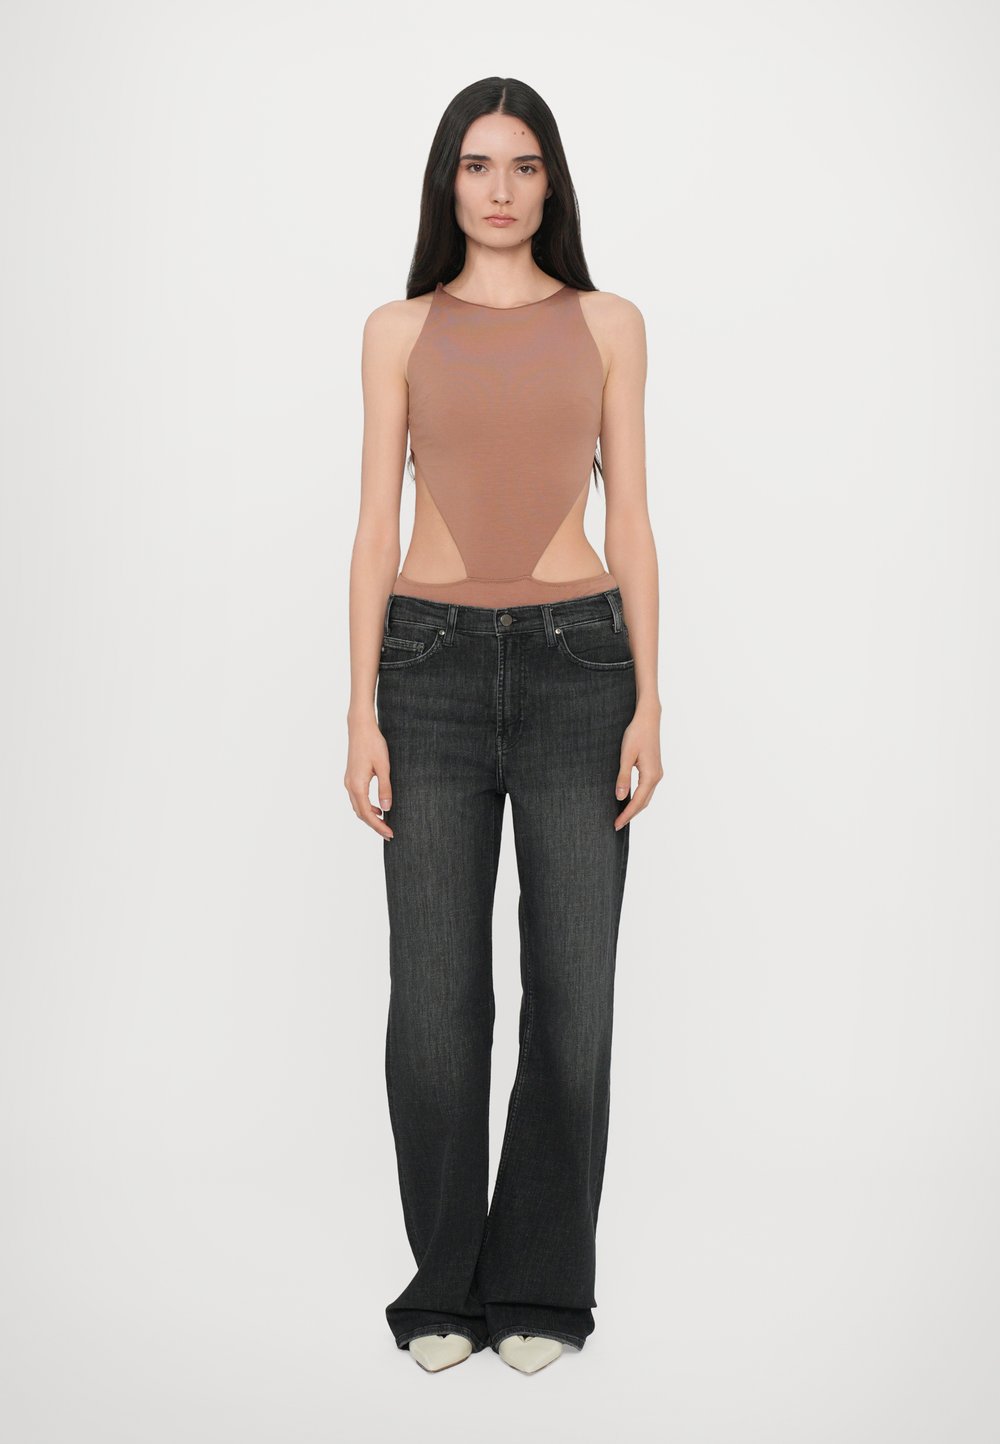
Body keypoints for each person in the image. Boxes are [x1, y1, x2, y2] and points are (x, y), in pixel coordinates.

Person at [345, 76, 663, 1375]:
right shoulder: (397, 330)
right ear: (447, 182)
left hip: (582, 666)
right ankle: (444, 1281)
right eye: (477, 165)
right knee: (435, 1006)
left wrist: (652, 696)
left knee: (574, 997)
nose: (500, 188)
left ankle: (539, 1283)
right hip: (423, 669)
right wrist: (358, 706)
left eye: (523, 165)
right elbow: (373, 524)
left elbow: (632, 514)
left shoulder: (609, 322)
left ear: (551, 183)